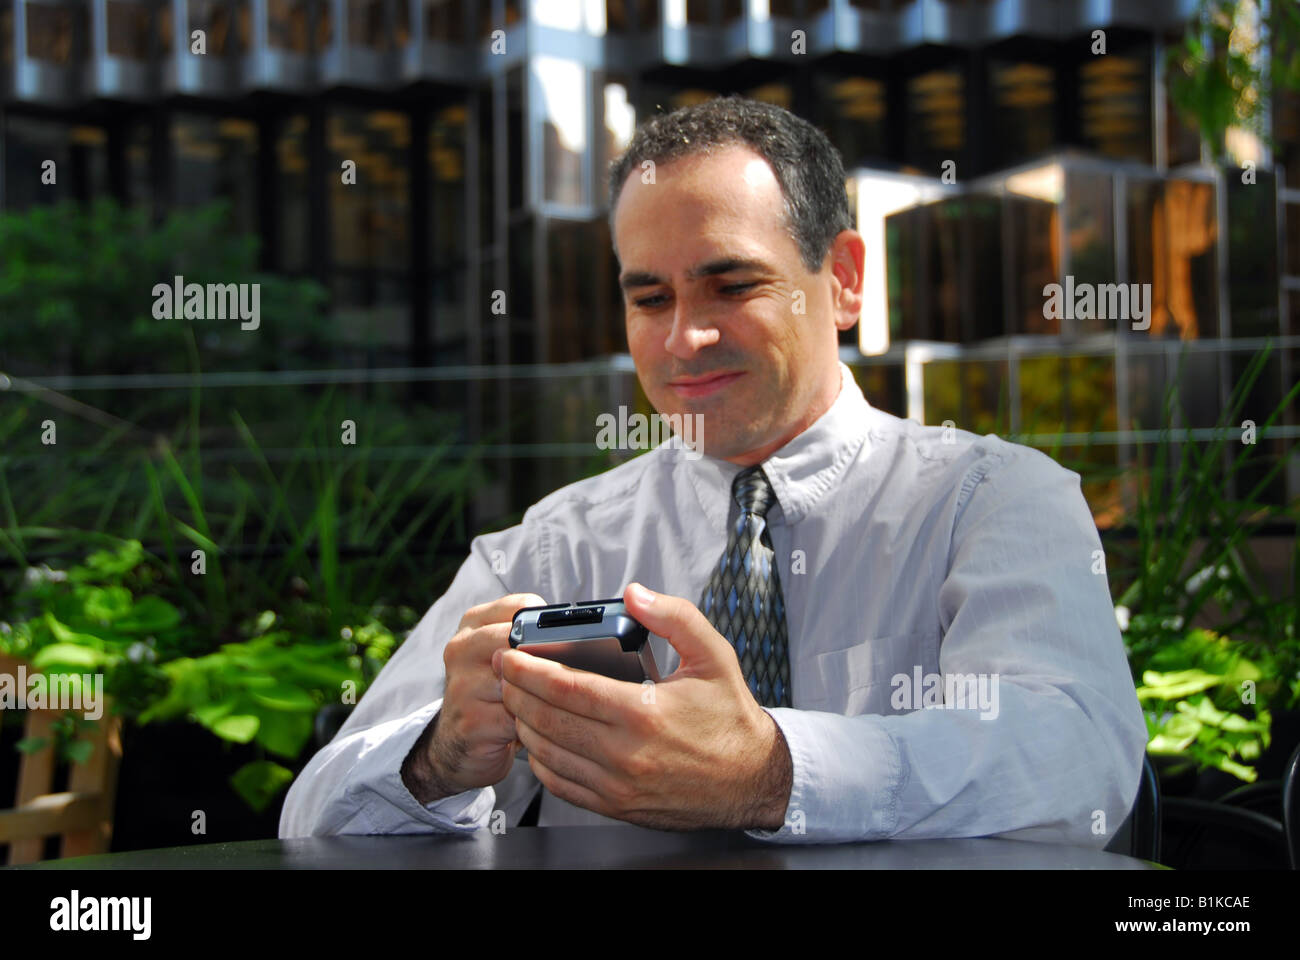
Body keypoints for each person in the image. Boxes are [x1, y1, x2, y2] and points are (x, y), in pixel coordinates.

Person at [279, 95, 1147, 845]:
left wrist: (769, 770)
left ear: (843, 280)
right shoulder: (548, 550)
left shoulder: (990, 501)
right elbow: (310, 820)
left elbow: (1077, 763)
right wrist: (439, 758)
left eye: (731, 286)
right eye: (649, 298)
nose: (683, 338)